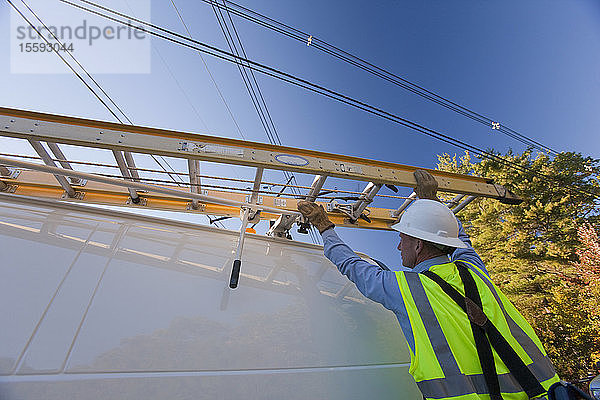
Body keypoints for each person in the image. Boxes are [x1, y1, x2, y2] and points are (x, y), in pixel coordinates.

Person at [297, 170, 559, 400]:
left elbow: (353, 266)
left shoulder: (405, 288)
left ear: (418, 245)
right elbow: (459, 237)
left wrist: (324, 226)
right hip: (544, 393)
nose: (399, 246)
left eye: (402, 239)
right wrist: (431, 203)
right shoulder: (475, 271)